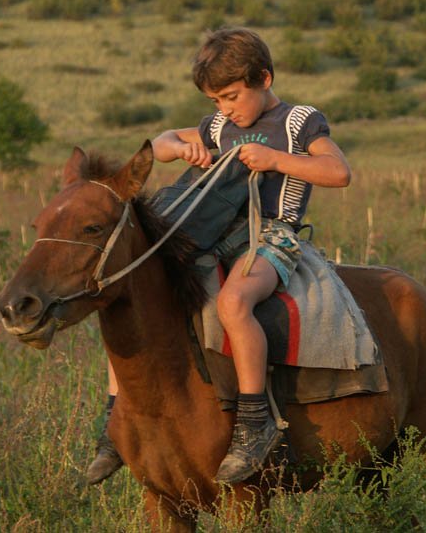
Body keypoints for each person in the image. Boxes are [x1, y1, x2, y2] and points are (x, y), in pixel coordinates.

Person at [86, 27, 351, 485]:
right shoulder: (219, 127)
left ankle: (254, 423)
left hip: (272, 237)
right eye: (215, 101)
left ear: (263, 78)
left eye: (231, 96)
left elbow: (338, 171)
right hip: (216, 232)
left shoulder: (298, 122)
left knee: (233, 303)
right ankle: (116, 425)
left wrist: (276, 161)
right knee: (136, 295)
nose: (225, 109)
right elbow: (165, 138)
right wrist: (179, 147)